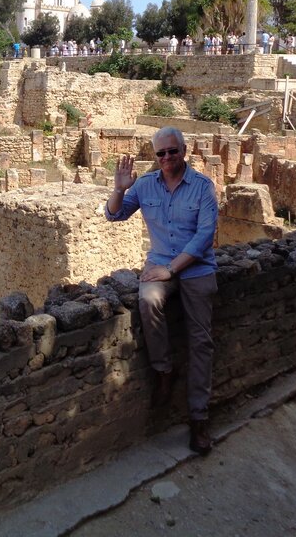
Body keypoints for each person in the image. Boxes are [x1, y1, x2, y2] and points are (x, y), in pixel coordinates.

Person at [105, 127, 219, 455]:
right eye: (161, 153)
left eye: (172, 151)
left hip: (195, 267)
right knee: (148, 299)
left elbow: (204, 237)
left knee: (201, 343)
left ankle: (199, 418)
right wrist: (119, 189)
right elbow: (114, 214)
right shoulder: (144, 185)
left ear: (184, 150)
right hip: (160, 264)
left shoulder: (202, 187)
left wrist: (171, 269)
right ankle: (164, 370)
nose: (167, 157)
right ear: (155, 155)